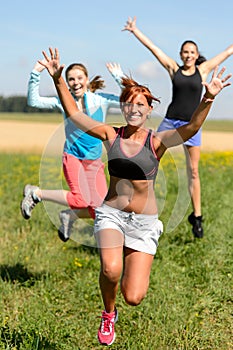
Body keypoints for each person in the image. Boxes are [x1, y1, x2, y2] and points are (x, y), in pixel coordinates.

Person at [39, 47, 231, 346]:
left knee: (134, 296)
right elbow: (75, 114)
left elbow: (192, 127)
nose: (134, 109)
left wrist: (208, 97)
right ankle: (107, 313)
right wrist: (56, 79)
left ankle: (122, 301)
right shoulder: (110, 134)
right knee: (110, 269)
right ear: (122, 108)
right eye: (129, 104)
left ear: (148, 109)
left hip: (143, 223)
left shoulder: (157, 141)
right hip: (112, 214)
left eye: (141, 104)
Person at [123, 16, 233, 238]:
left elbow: (227, 52)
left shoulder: (203, 70)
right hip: (171, 121)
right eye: (185, 52)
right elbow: (153, 48)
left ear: (196, 54)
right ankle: (140, 207)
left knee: (193, 171)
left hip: (192, 125)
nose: (188, 55)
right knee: (149, 161)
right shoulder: (174, 68)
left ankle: (197, 217)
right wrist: (135, 31)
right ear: (181, 54)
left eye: (192, 52)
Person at [20, 59, 124, 242]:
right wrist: (35, 74)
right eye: (71, 79)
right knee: (80, 199)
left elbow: (128, 99)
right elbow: (33, 101)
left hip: (94, 161)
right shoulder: (63, 101)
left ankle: (69, 216)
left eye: (79, 78)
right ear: (66, 82)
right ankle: (36, 193)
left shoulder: (100, 100)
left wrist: (119, 77)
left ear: (86, 79)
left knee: (99, 209)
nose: (76, 83)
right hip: (73, 156)